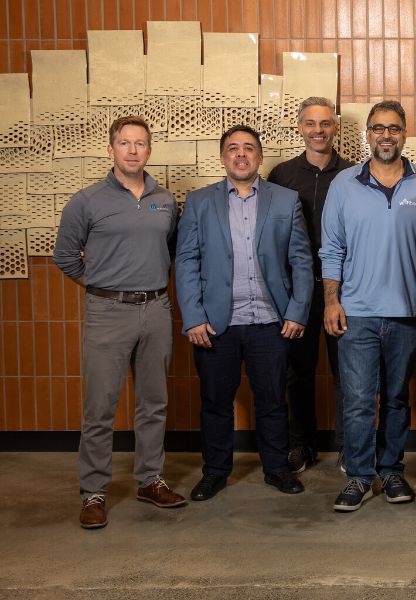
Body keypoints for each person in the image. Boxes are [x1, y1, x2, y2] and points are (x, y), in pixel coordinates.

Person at [54, 115, 188, 528]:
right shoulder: (87, 200)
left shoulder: (165, 200)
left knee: (154, 402)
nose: (133, 150)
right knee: (100, 407)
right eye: (125, 143)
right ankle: (93, 491)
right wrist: (101, 286)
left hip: (156, 310)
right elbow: (64, 257)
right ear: (110, 149)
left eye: (141, 143)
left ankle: (150, 479)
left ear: (150, 150)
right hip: (107, 311)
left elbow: (171, 251)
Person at [175, 125, 312, 501]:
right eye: (232, 148)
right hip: (216, 325)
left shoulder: (286, 200)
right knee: (215, 403)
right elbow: (186, 261)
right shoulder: (200, 202)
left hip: (271, 321)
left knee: (272, 401)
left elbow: (300, 259)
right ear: (222, 158)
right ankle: (215, 473)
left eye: (248, 148)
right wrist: (193, 317)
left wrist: (297, 312)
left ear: (259, 157)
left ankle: (277, 469)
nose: (240, 154)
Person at [320, 101, 416, 512]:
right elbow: (331, 247)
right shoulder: (343, 184)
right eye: (378, 128)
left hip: (408, 311)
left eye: (394, 128)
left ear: (405, 134)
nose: (386, 135)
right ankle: (357, 475)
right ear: (367, 134)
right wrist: (331, 301)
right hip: (357, 312)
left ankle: (390, 469)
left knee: (396, 398)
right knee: (356, 399)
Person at [267, 96, 355, 474]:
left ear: (335, 127)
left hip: (345, 289)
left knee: (348, 372)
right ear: (300, 127)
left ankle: (350, 448)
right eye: (310, 123)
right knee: (296, 372)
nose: (318, 130)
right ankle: (300, 446)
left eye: (325, 123)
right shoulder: (281, 175)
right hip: (296, 290)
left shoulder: (354, 174)